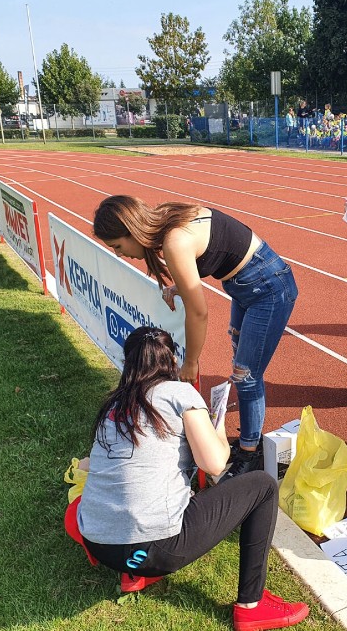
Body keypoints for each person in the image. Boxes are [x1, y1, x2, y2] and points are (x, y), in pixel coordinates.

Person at [72, 327, 308, 631]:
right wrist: (218, 427)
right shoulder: (179, 393)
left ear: (128, 362)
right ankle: (252, 606)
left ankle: (132, 574)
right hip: (153, 549)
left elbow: (95, 466)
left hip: (101, 545)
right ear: (171, 359)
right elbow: (214, 464)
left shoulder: (113, 405)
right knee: (262, 486)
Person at [93, 196, 298, 481]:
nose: (118, 253)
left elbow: (199, 312)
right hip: (249, 286)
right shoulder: (167, 219)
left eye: (118, 246)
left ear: (132, 230)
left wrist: (190, 361)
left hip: (268, 288)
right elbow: (206, 256)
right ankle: (250, 442)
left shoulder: (173, 241)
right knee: (242, 372)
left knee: (247, 376)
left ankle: (251, 454)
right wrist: (181, 284)